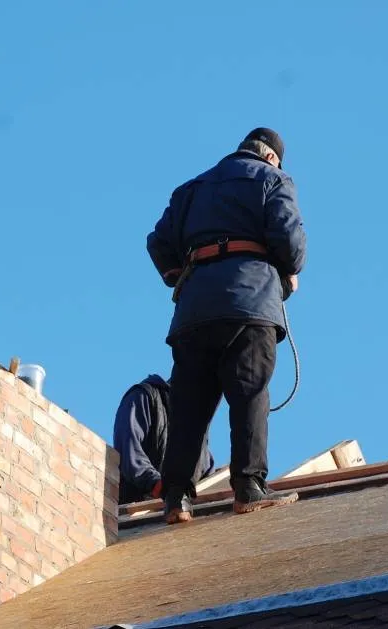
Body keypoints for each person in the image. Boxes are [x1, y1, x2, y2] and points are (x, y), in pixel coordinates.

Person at [146, 127, 307, 524]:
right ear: (271, 157)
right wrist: (287, 273)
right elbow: (290, 244)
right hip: (250, 303)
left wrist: (181, 274)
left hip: (194, 312)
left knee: (189, 405)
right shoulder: (274, 179)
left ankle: (176, 499)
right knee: (249, 393)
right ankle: (249, 488)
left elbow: (158, 241)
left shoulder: (191, 189)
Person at [112, 374, 215, 504]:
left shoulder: (197, 436)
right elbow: (129, 451)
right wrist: (155, 483)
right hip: (135, 508)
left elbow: (207, 478)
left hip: (176, 510)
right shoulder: (144, 397)